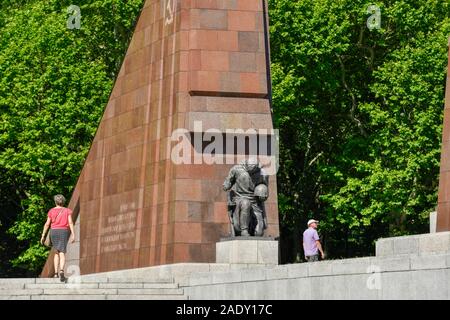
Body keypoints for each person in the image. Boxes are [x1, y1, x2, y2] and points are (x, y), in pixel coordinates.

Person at [223, 158, 268, 237]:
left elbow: (265, 186)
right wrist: (227, 185)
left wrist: (263, 191)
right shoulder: (236, 169)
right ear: (246, 165)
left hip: (254, 201)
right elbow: (228, 181)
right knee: (246, 203)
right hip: (240, 198)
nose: (251, 173)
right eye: (249, 171)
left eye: (253, 171)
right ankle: (244, 230)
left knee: (259, 233)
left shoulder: (263, 173)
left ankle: (253, 229)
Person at [40, 194, 75, 281]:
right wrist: (73, 234)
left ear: (55, 202)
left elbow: (47, 224)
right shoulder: (67, 211)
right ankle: (62, 271)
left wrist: (43, 235)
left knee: (56, 252)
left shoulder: (51, 211)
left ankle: (55, 273)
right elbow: (70, 222)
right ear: (63, 202)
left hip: (54, 231)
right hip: (63, 231)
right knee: (62, 252)